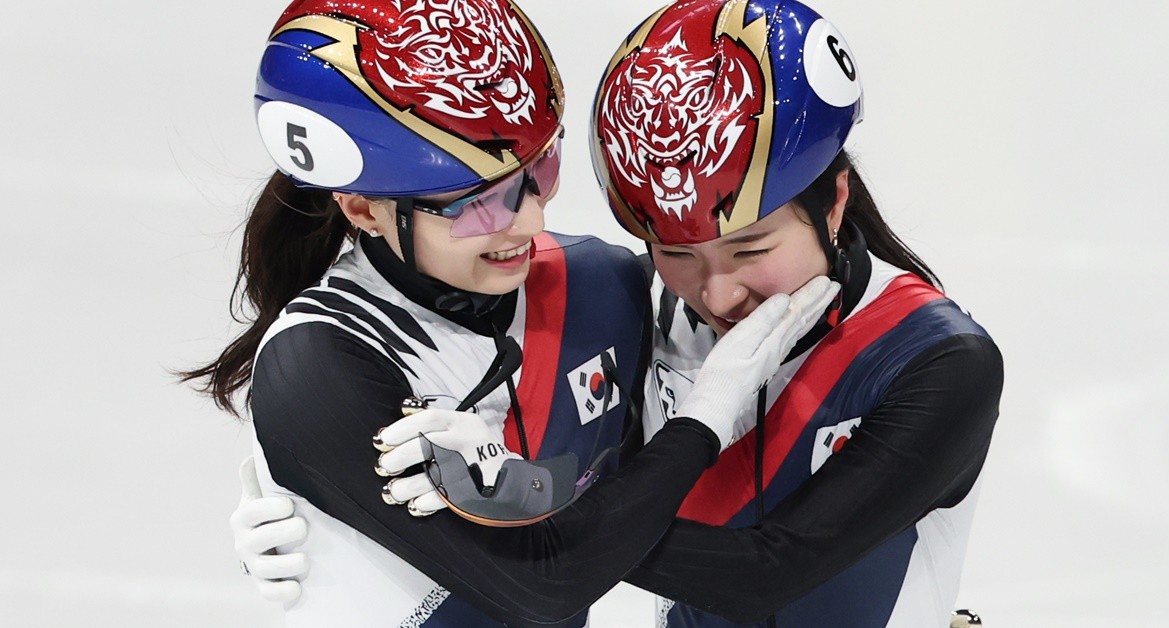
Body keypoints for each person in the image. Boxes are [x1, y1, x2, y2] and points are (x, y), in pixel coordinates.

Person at [231, 0, 1003, 626]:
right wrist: (347, 507)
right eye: (676, 250)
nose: (718, 291)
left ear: (834, 202)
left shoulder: (939, 363)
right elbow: (582, 519)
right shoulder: (633, 302)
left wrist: (511, 505)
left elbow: (763, 574)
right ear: (361, 208)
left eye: (539, 173)